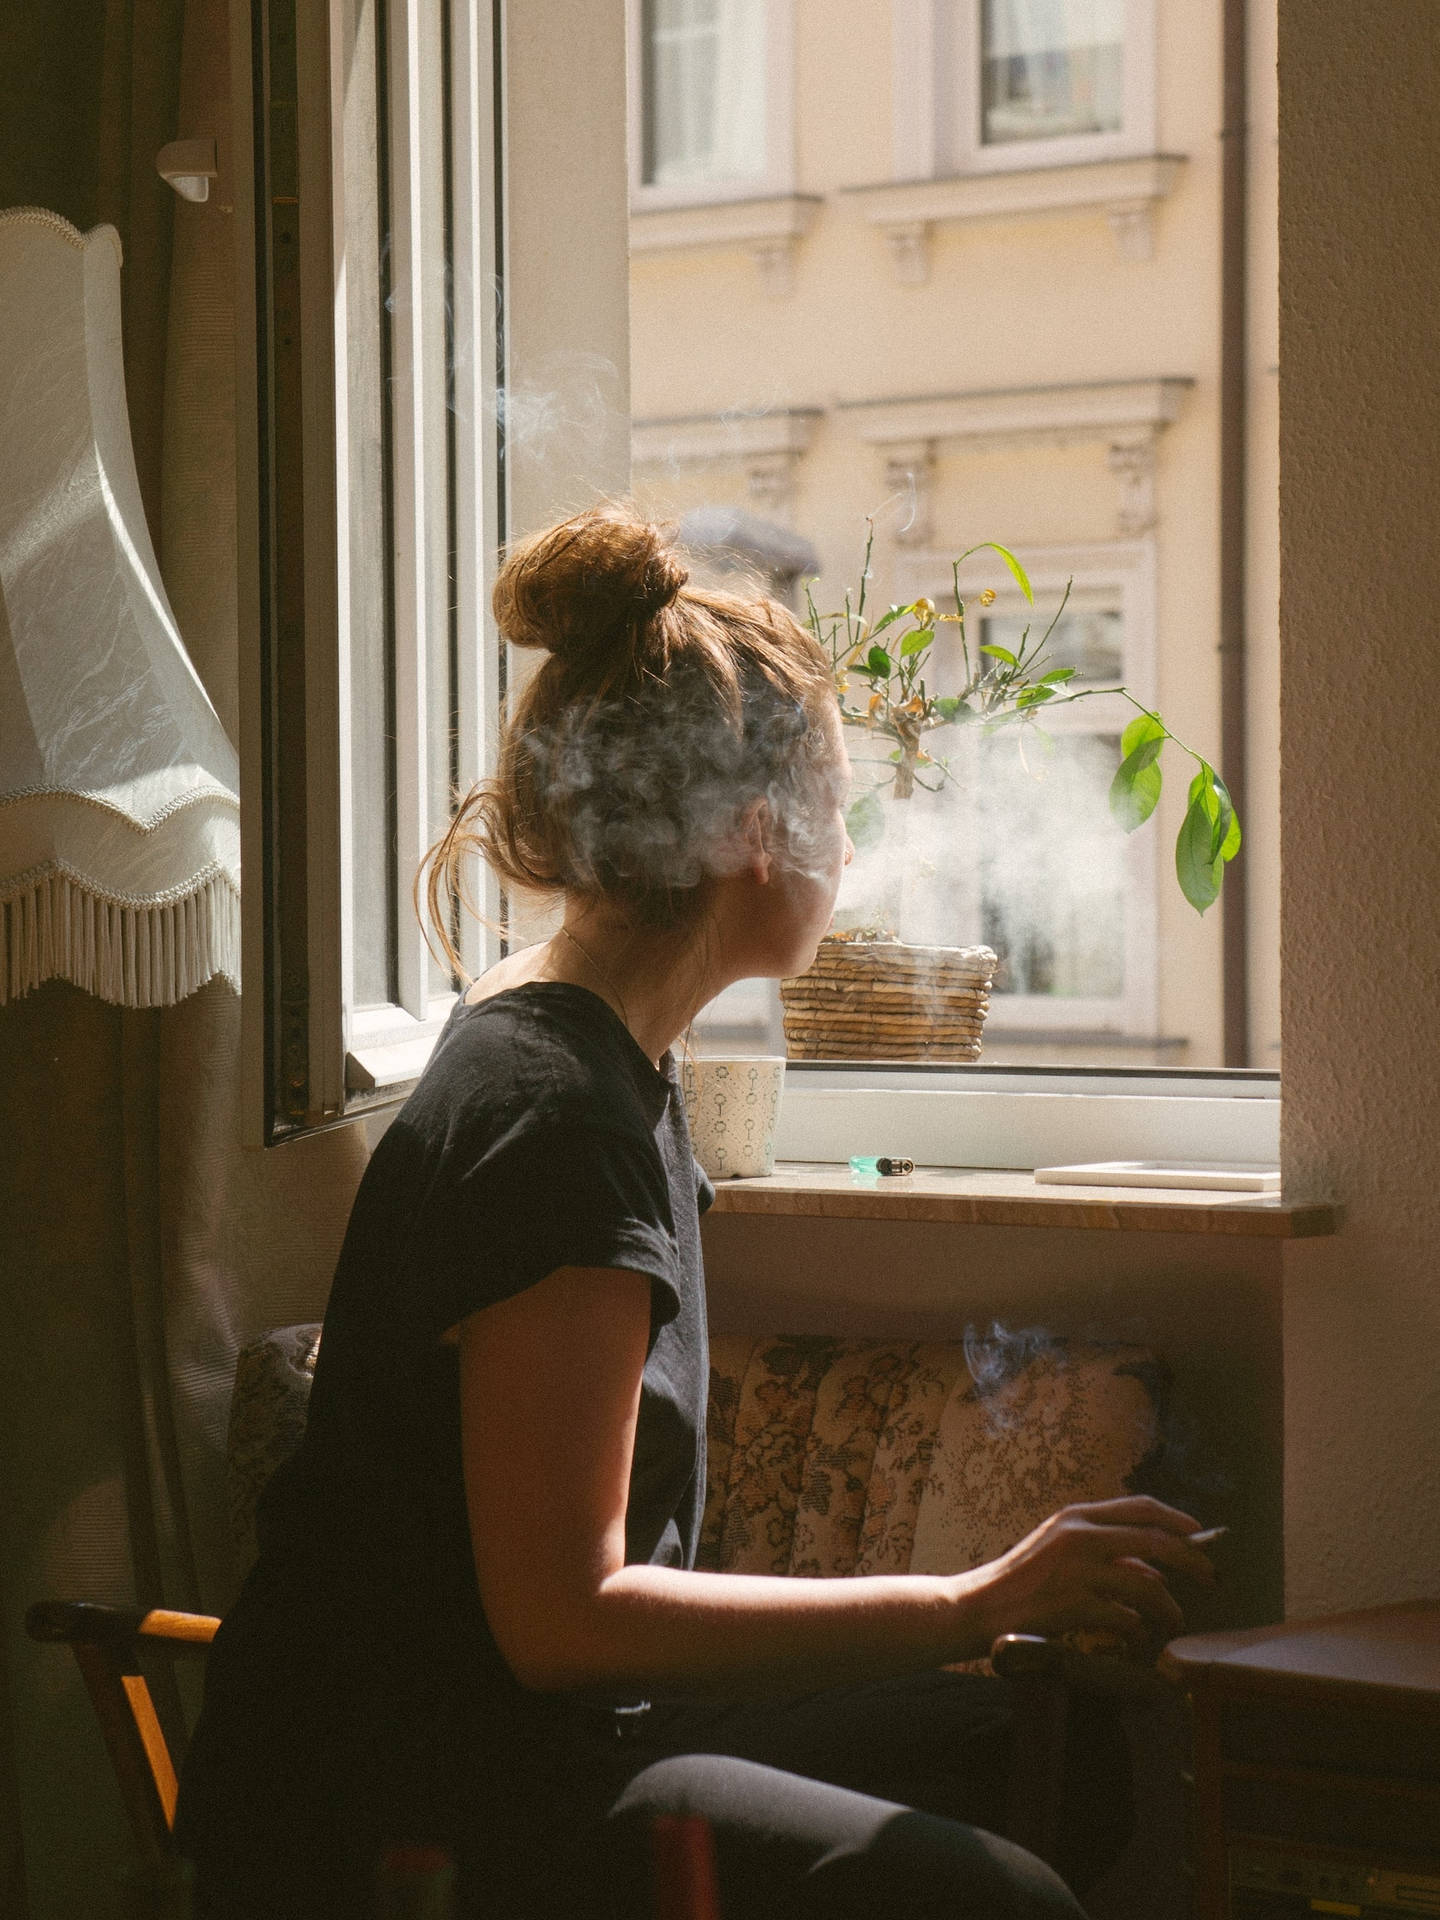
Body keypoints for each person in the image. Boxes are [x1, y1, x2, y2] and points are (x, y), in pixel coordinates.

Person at [175, 506, 1214, 1920]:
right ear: (746, 832)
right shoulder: (559, 1120)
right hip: (412, 1795)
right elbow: (562, 1623)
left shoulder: (612, 1064)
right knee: (1003, 1895)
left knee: (1050, 1754)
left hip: (525, 1736)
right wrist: (977, 1599)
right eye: (836, 808)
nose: (849, 852)